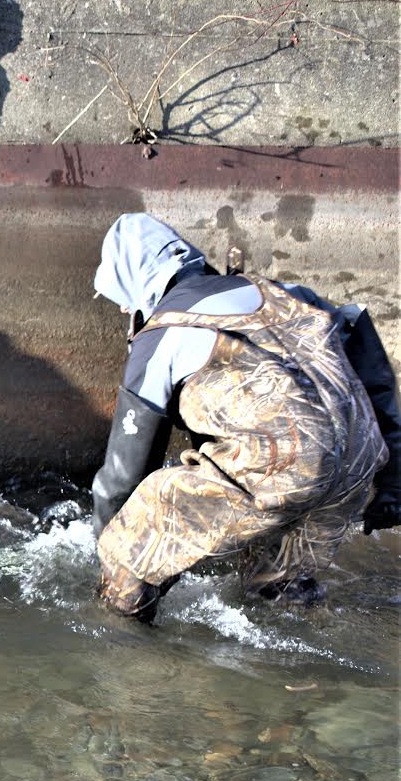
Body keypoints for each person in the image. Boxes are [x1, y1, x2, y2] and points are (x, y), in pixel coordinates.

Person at [88, 213, 399, 621]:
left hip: (283, 465)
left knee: (126, 554)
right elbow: (361, 339)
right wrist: (392, 485)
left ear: (134, 286)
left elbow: (121, 479)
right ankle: (305, 666)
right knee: (279, 588)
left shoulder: (161, 334)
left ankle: (128, 662)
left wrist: (118, 543)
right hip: (357, 465)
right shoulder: (286, 293)